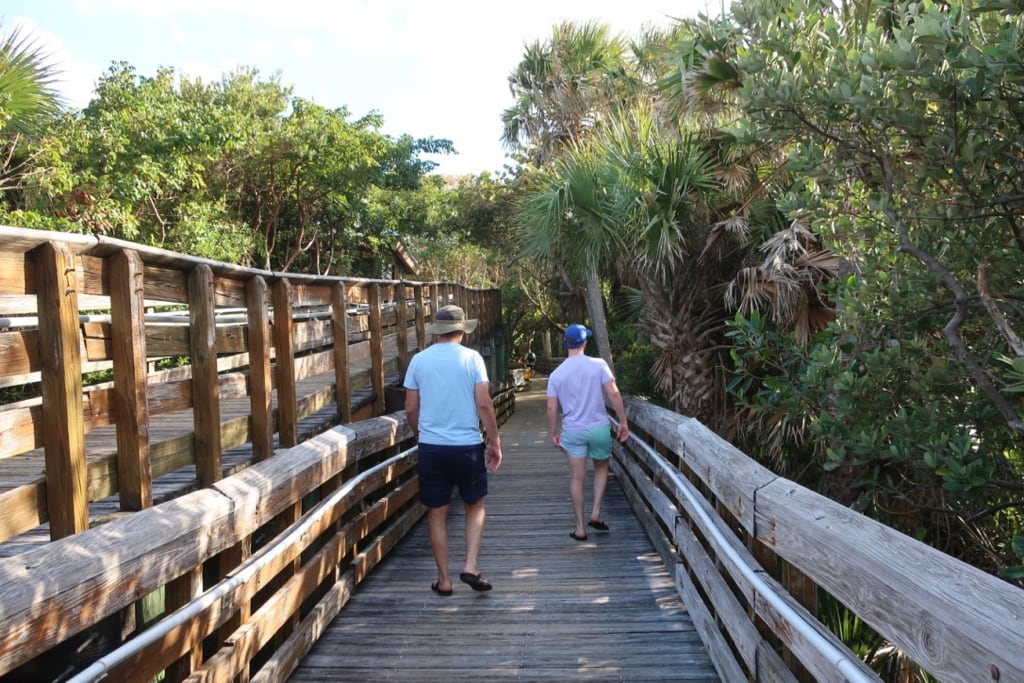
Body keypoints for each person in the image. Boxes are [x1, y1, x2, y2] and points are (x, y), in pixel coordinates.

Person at [404, 304, 503, 596]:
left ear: (437, 331)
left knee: (437, 512)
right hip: (467, 446)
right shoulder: (472, 359)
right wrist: (494, 441)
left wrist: (419, 434)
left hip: (432, 447)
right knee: (475, 505)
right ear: (462, 331)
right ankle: (470, 565)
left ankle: (444, 580)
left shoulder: (419, 360)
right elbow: (484, 404)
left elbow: (410, 407)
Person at [546, 324, 629, 541]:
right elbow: (614, 394)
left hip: (573, 430)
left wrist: (553, 432)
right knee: (601, 469)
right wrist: (622, 422)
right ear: (584, 343)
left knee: (576, 478)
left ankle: (580, 528)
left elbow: (552, 408)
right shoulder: (599, 365)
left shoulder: (556, 374)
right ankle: (596, 513)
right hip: (599, 427)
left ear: (566, 344)